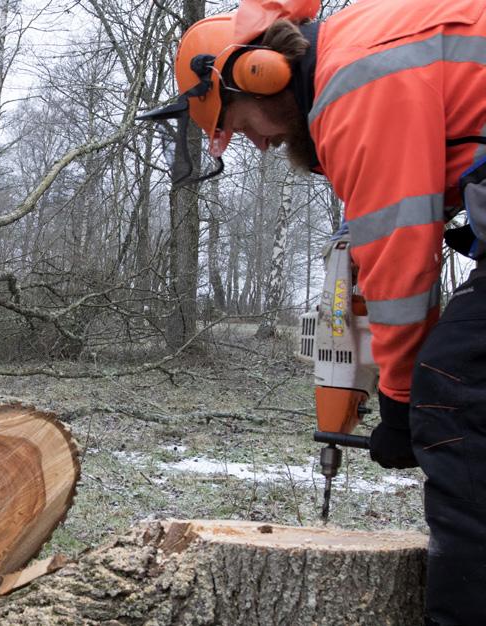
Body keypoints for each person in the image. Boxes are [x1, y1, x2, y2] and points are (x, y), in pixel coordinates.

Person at [141, 0, 486, 623]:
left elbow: (401, 258)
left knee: (457, 385)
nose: (264, 145)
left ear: (262, 73)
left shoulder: (354, 80)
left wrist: (406, 401)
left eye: (245, 127)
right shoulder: (360, 56)